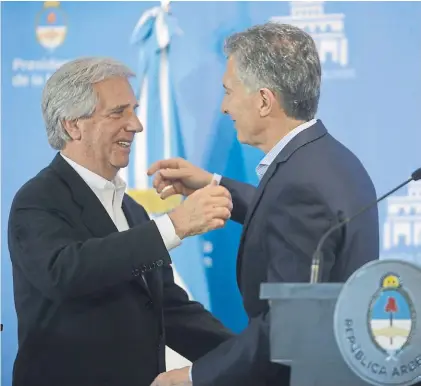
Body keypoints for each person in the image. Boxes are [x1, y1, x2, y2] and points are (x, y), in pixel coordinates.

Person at [148, 23, 379, 386]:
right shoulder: (323, 160)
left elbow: (285, 329)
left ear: (264, 100)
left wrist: (192, 377)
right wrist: (213, 184)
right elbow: (283, 212)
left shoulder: (302, 185)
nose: (224, 107)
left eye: (228, 92)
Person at [7, 57, 235, 386]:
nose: (137, 125)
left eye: (134, 110)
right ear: (73, 125)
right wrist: (175, 225)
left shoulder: (132, 210)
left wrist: (247, 356)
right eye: (118, 113)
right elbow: (66, 273)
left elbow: (167, 310)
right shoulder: (37, 200)